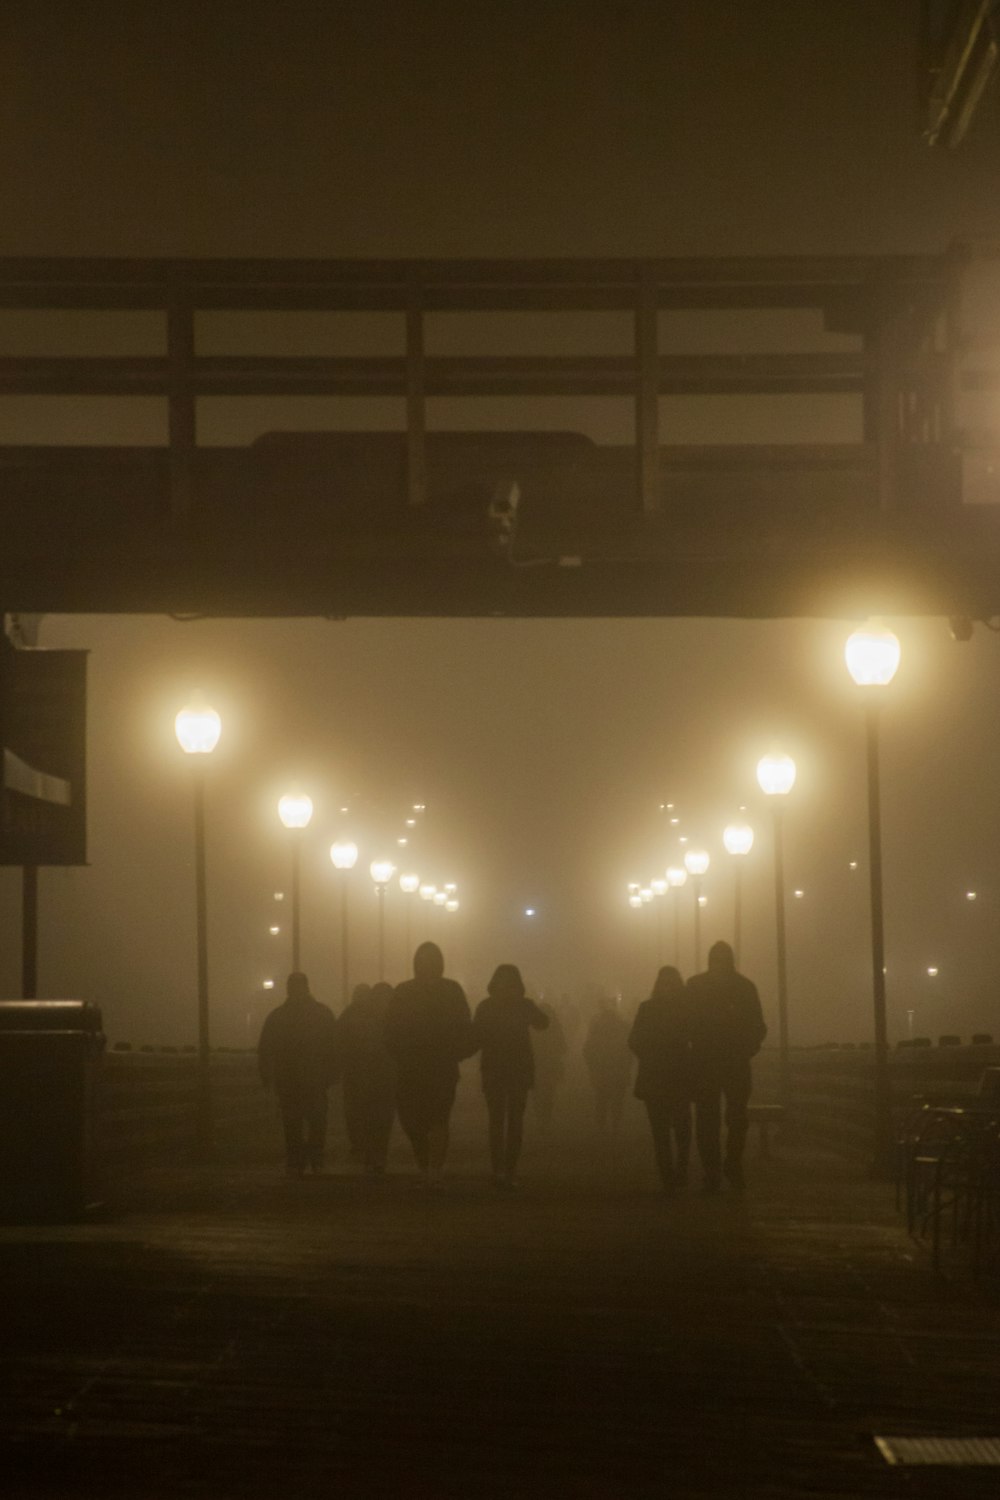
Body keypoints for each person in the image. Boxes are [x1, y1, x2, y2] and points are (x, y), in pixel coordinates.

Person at [384, 942, 472, 1186]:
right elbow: (390, 1027)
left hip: (441, 1066)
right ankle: (426, 1163)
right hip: (411, 1067)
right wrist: (397, 1052)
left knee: (438, 1118)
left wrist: (457, 1051)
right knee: (412, 1121)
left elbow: (464, 1025)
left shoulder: (451, 990)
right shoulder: (404, 991)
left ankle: (434, 1167)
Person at [686, 940, 767, 1192]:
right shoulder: (744, 987)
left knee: (712, 1119)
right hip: (733, 1064)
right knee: (735, 1118)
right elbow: (758, 1027)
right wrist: (747, 1049)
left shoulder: (696, 986)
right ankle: (729, 1166)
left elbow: (685, 1023)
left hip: (708, 1063)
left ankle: (715, 1170)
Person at [470, 964, 549, 1187]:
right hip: (504, 1069)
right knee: (502, 1121)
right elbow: (543, 1023)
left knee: (511, 1121)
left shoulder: (496, 1006)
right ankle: (501, 1170)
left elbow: (543, 1023)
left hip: (511, 1070)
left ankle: (506, 1170)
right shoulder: (511, 1006)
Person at [257, 971, 340, 1176]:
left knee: (292, 1120)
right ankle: (316, 1158)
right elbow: (335, 1046)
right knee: (317, 1119)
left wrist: (267, 1076)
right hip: (315, 1077)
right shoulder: (323, 1014)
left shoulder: (277, 1017)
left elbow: (265, 1048)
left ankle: (296, 1159)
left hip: (288, 1078)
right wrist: (333, 1074)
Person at [628, 965, 692, 1193]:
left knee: (678, 1128)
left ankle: (677, 1172)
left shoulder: (649, 1009)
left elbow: (634, 1040)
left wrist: (648, 1054)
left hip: (664, 1076)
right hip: (671, 1076)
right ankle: (669, 1174)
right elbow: (634, 1040)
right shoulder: (685, 1010)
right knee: (664, 1130)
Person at [338, 980, 397, 1175]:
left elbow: (339, 1040)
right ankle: (376, 1154)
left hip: (368, 1076)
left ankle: (372, 1153)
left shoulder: (357, 1015)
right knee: (378, 1118)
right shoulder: (391, 1018)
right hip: (374, 1076)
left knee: (371, 1116)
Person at [582, 993, 632, 1137]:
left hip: (602, 1068)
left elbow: (588, 1049)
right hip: (617, 1069)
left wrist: (592, 1066)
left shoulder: (598, 1026)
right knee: (617, 1100)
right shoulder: (624, 1025)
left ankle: (601, 1126)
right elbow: (630, 1048)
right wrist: (627, 1066)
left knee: (602, 1098)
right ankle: (614, 1125)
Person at [531, 1000, 567, 1135]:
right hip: (550, 1064)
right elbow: (563, 1046)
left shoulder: (531, 1027)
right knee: (549, 1092)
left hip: (536, 1064)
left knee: (537, 1092)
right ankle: (546, 1118)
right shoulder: (555, 1026)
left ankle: (540, 1118)